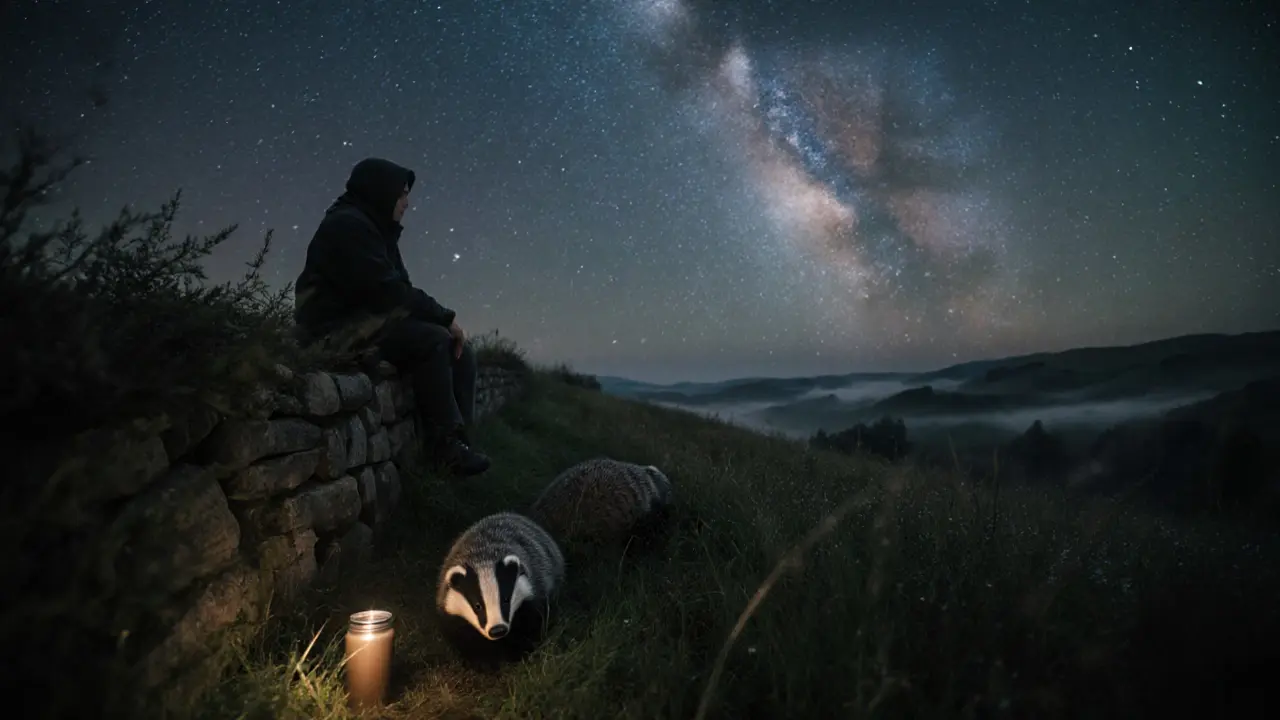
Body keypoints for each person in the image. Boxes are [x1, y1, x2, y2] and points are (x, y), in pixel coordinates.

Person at [293, 157, 491, 477]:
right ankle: (444, 449)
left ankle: (460, 442)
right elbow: (391, 293)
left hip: (365, 322)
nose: (407, 203)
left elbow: (398, 290)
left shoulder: (376, 230)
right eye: (401, 195)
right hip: (333, 329)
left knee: (461, 352)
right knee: (435, 340)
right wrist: (445, 317)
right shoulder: (347, 226)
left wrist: (440, 319)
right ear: (380, 192)